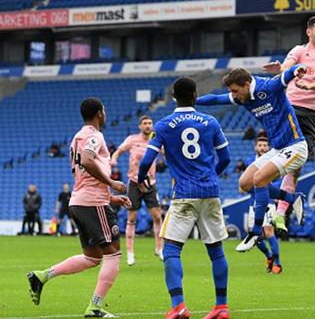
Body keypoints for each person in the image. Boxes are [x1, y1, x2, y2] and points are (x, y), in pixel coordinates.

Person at [27, 97, 131, 317]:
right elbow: (87, 160)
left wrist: (111, 198)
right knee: (113, 254)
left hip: (80, 202)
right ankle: (94, 307)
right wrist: (112, 183)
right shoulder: (95, 136)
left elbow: (84, 176)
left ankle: (42, 275)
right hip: (92, 203)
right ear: (100, 113)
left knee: (93, 257)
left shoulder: (76, 137)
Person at [137, 77, 231, 319]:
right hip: (210, 191)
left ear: (174, 97)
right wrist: (211, 177)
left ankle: (178, 306)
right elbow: (226, 159)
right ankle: (221, 307)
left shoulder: (164, 125)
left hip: (184, 194)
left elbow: (147, 160)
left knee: (170, 250)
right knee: (217, 251)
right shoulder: (210, 122)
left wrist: (140, 178)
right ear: (196, 95)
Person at [197, 65, 308, 249]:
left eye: (235, 91)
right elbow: (216, 99)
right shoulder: (243, 97)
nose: (234, 95)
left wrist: (297, 69)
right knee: (245, 182)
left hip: (295, 146)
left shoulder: (268, 87)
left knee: (260, 179)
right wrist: (193, 101)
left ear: (247, 84)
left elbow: (286, 76)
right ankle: (292, 198)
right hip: (278, 148)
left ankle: (256, 232)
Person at [262, 14, 315, 229]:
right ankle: (278, 211)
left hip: (314, 114)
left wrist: (310, 86)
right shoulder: (298, 51)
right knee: (281, 162)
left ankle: (282, 208)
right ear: (309, 31)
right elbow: (286, 67)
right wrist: (280, 69)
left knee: (295, 166)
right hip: (290, 109)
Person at [110, 115, 163, 265]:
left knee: (157, 216)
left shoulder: (156, 140)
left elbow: (167, 153)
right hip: (134, 182)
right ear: (140, 126)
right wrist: (114, 159)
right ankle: (130, 253)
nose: (148, 126)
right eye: (145, 123)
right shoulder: (132, 139)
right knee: (132, 217)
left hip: (150, 183)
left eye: (150, 123)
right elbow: (119, 151)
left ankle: (159, 249)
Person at [245, 135, 282, 274]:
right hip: (253, 203)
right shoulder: (250, 162)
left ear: (268, 148)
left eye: (264, 145)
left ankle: (278, 263)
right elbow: (245, 183)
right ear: (256, 147)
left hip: (268, 202)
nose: (262, 148)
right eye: (260, 145)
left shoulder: (274, 162)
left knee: (268, 231)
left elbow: (279, 181)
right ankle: (268, 256)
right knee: (252, 234)